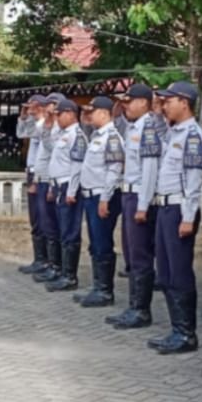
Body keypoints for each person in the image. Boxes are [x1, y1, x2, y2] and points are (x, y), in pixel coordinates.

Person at [146, 80, 202, 355]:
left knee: (180, 271)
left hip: (179, 210)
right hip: (165, 208)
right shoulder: (174, 132)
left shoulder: (192, 135)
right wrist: (157, 110)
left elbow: (193, 181)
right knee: (167, 271)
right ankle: (176, 329)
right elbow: (158, 130)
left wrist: (188, 217)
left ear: (184, 103)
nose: (165, 105)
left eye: (169, 101)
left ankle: (186, 333)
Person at [108, 83, 164, 330]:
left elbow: (150, 169)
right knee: (131, 253)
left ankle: (141, 310)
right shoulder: (134, 126)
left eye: (129, 101)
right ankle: (134, 306)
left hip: (140, 196)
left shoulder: (148, 128)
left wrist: (143, 204)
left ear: (143, 102)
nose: (126, 105)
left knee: (140, 255)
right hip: (129, 194)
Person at [74, 96, 126, 308]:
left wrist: (105, 199)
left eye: (92, 111)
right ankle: (98, 286)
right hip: (91, 195)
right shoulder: (97, 135)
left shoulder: (112, 138)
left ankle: (105, 291)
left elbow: (114, 170)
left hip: (102, 197)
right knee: (95, 242)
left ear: (104, 114)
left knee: (102, 242)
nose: (89, 115)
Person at [44, 96, 88, 292]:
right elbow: (56, 162)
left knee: (70, 231)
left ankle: (70, 276)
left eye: (59, 114)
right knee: (62, 230)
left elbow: (77, 167)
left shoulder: (76, 136)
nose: (57, 118)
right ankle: (61, 271)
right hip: (59, 186)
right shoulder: (63, 134)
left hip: (69, 187)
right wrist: (52, 187)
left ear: (70, 114)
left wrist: (71, 191)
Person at [33, 93, 68, 285]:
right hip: (45, 179)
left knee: (56, 225)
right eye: (48, 105)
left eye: (53, 105)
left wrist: (49, 124)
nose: (49, 109)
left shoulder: (62, 129)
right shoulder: (48, 125)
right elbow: (31, 134)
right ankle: (51, 264)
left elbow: (53, 150)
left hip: (55, 181)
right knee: (46, 224)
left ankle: (58, 267)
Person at [17, 96, 51, 276]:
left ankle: (47, 261)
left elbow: (37, 132)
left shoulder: (47, 125)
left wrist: (38, 114)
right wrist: (24, 116)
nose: (30, 108)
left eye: (34, 106)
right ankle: (39, 259)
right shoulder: (36, 123)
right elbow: (22, 133)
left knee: (43, 218)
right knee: (35, 219)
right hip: (32, 172)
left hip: (41, 175)